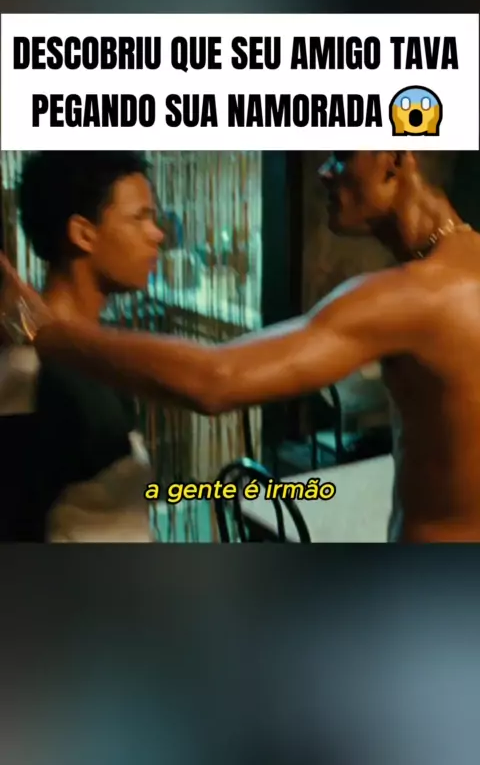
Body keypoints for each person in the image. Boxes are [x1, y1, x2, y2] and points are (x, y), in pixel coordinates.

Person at [2, 149, 480, 543]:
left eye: (341, 155)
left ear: (393, 160)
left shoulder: (412, 296)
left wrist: (42, 330)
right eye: (140, 217)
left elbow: (216, 378)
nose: (323, 170)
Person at [0, 151, 164, 541]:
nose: (157, 234)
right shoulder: (29, 370)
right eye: (139, 218)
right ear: (83, 234)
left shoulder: (94, 352)